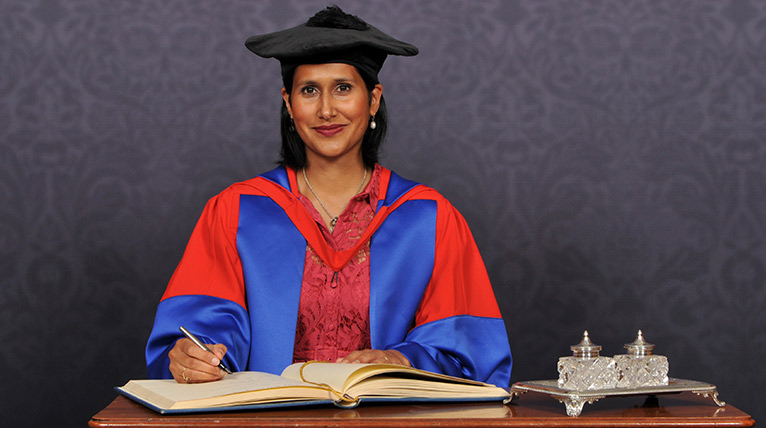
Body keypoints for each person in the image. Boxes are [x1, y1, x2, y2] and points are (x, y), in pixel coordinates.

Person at [145, 5, 512, 387]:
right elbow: (204, 331)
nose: (326, 110)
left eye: (343, 88)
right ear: (289, 104)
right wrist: (196, 356)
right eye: (309, 91)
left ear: (372, 99)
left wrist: (400, 358)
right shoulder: (238, 211)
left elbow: (470, 353)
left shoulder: (429, 218)